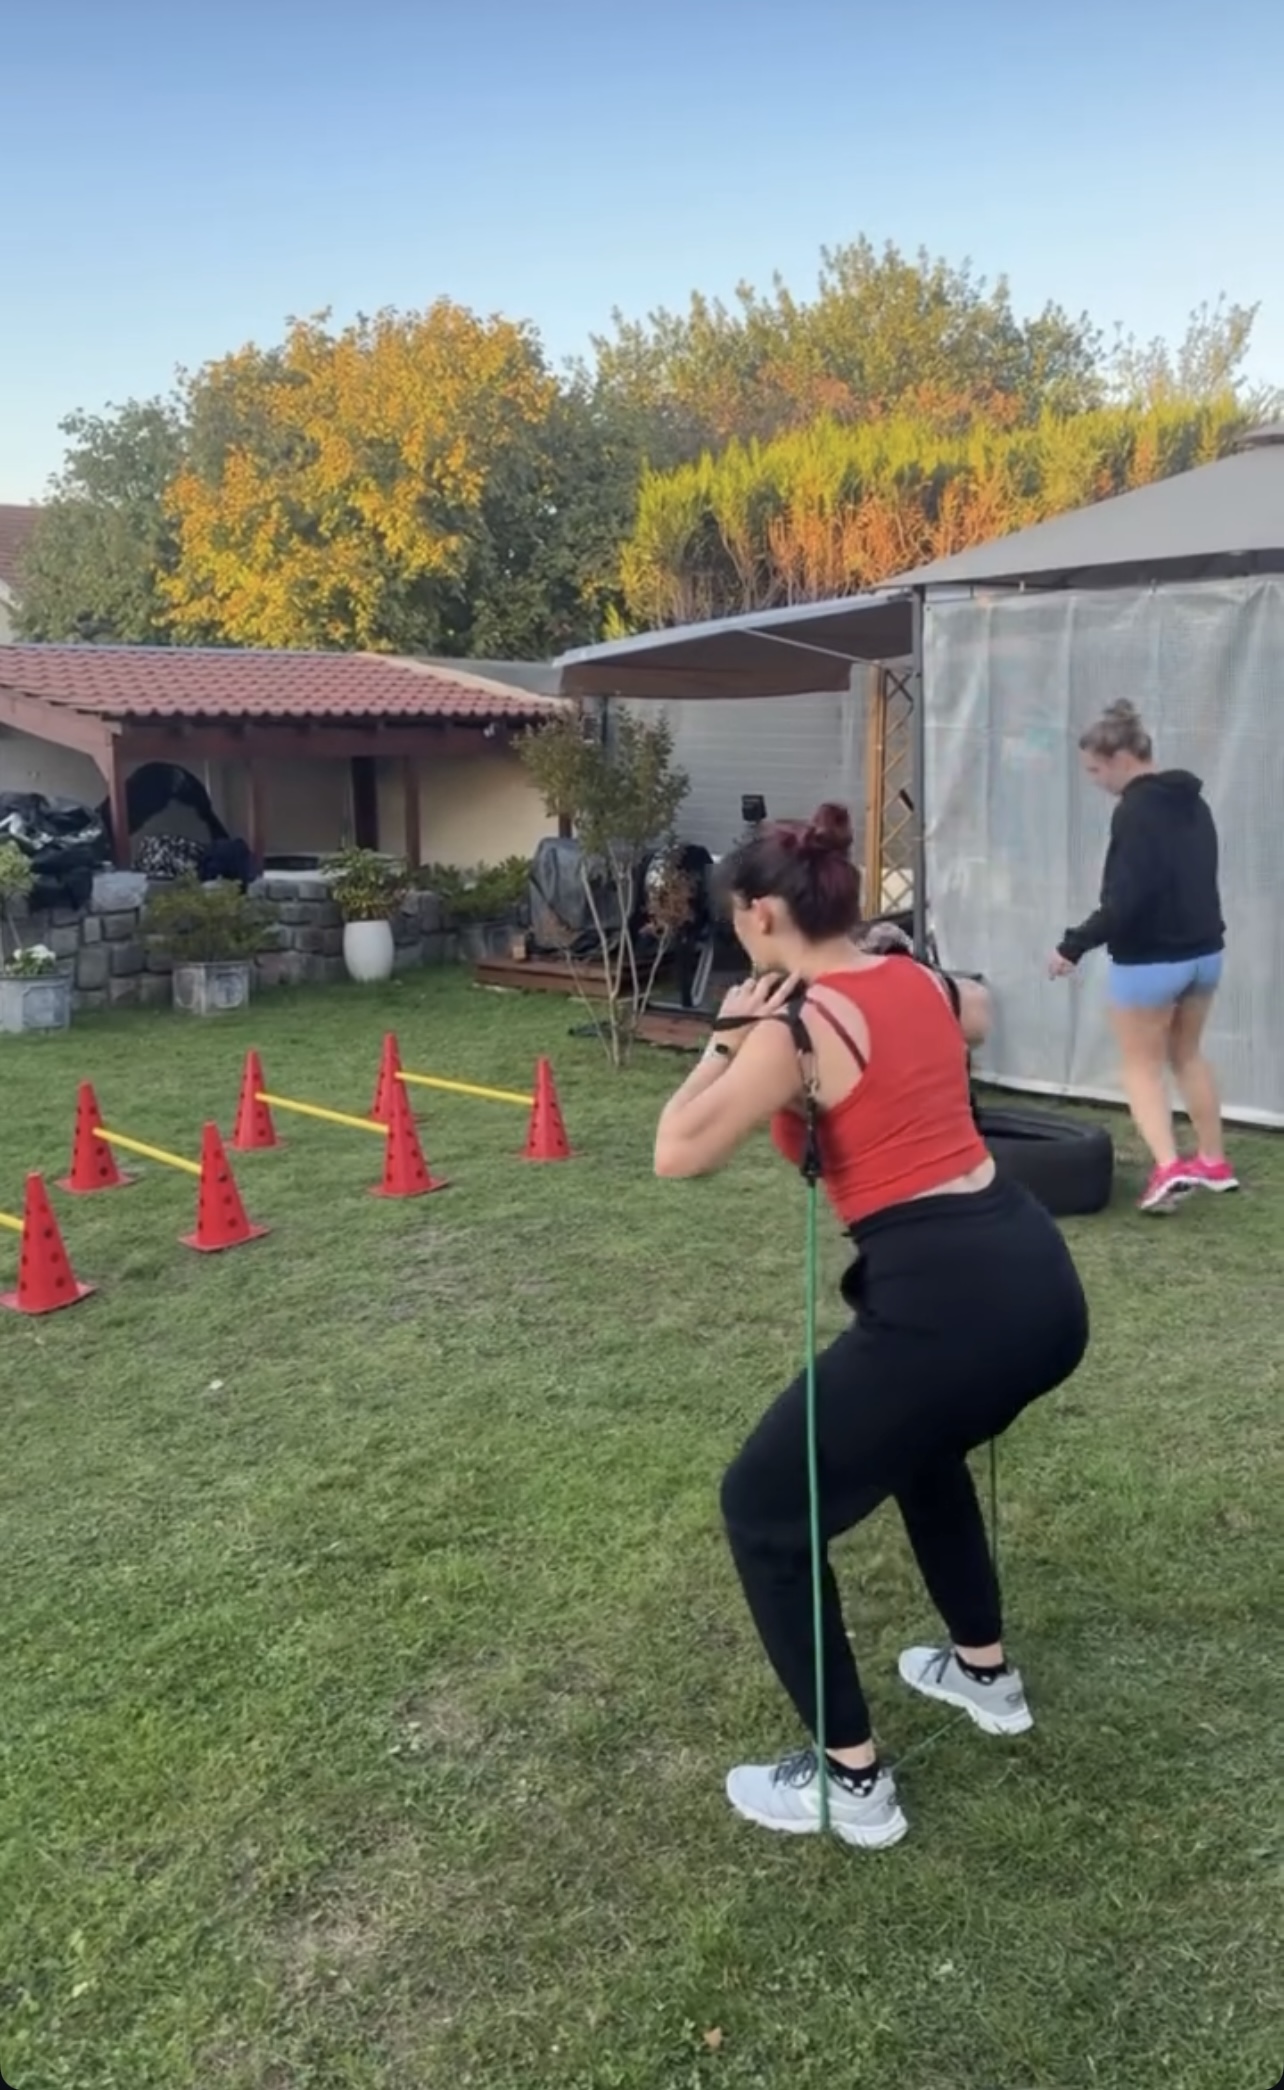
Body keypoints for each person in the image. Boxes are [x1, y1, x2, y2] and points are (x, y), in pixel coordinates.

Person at [654, 803, 1090, 1851]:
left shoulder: (795, 1027)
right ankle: (984, 1674)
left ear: (764, 913)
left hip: (948, 1307)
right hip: (1038, 1285)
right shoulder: (906, 979)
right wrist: (897, 958)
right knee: (921, 1446)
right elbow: (976, 1009)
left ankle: (852, 1783)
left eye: (740, 922)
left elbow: (677, 1150)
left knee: (762, 1508)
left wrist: (725, 1039)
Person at [1049, 700, 1234, 1214]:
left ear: (1120, 758)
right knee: (1188, 1055)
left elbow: (1125, 901)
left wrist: (1074, 944)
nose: (1094, 780)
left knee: (1141, 1068)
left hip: (1151, 962)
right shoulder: (1194, 803)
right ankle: (1213, 1161)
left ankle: (1169, 1168)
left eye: (1094, 769)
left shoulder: (1134, 810)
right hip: (1205, 955)